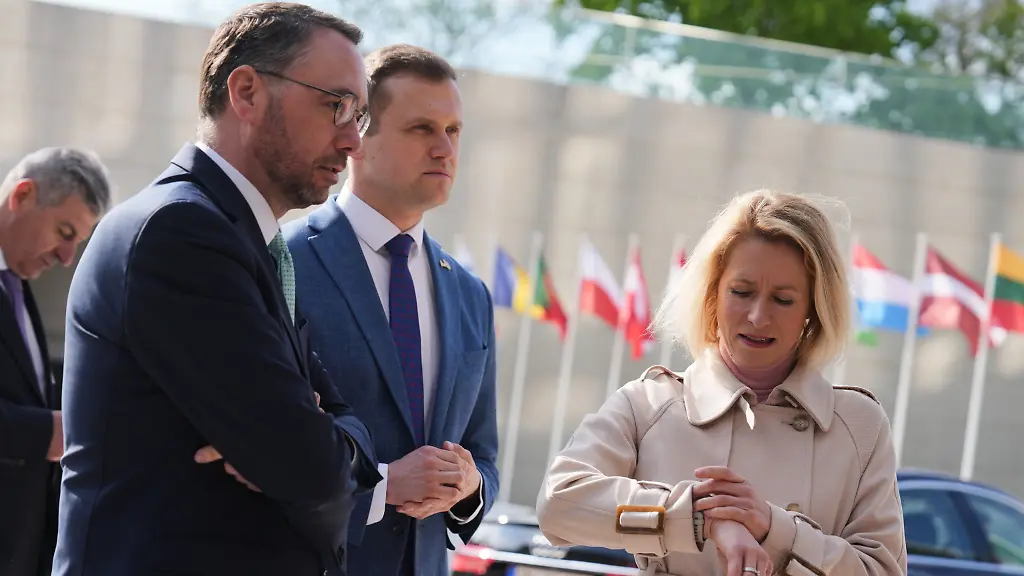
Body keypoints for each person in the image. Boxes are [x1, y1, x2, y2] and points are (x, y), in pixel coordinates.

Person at [54, 4, 381, 575]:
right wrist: (322, 451)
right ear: (247, 92)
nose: (353, 140)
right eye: (337, 105)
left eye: (361, 115)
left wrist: (329, 446)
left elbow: (337, 441)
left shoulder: (250, 244)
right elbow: (313, 469)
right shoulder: (180, 232)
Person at [536, 189, 907, 576]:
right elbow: (558, 504)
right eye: (742, 292)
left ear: (814, 308)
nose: (758, 316)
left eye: (782, 299)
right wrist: (699, 518)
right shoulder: (648, 405)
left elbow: (883, 570)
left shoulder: (860, 426)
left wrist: (773, 528)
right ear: (713, 293)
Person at [283, 44, 499, 576]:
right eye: (421, 128)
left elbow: (485, 456)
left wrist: (468, 489)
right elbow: (260, 450)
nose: (444, 148)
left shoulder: (470, 294)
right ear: (358, 137)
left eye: (453, 131)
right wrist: (378, 490)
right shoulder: (284, 262)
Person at [0, 147, 111, 576]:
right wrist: (48, 432)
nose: (67, 258)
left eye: (77, 242)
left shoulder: (18, 287)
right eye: (63, 232)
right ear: (22, 195)